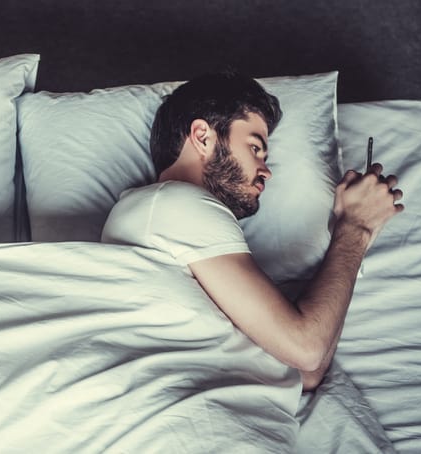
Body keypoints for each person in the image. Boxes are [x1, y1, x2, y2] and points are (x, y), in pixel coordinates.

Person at [101, 72, 404, 391]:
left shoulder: (173, 218)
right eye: (255, 148)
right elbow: (307, 349)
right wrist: (354, 229)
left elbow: (305, 373)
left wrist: (358, 230)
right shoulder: (173, 201)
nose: (267, 171)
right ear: (203, 136)